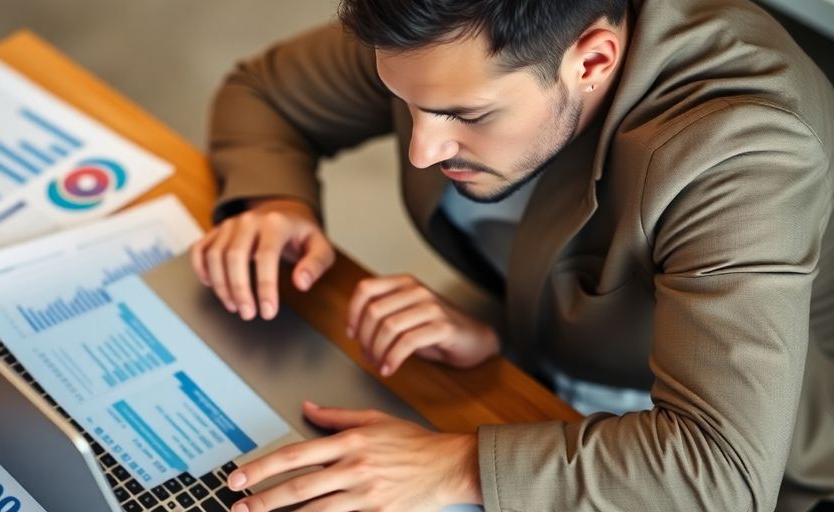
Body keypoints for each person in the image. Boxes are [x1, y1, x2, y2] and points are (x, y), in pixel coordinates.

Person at [190, 0, 834, 510]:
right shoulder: (444, 39)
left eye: (464, 115)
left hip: (737, 445)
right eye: (406, 104)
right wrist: (275, 204)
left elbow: (717, 474)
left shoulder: (745, 149)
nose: (422, 149)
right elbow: (265, 94)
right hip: (528, 344)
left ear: (592, 61)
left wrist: (453, 466)